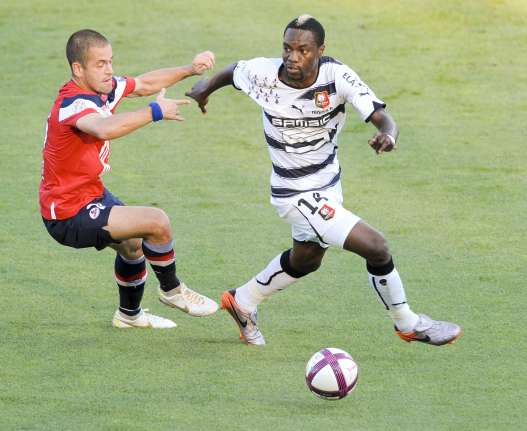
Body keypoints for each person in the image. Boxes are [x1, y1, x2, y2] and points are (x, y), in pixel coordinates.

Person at [186, 15, 463, 345]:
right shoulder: (263, 73)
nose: (292, 57)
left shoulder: (337, 76)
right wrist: (205, 88)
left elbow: (381, 116)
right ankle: (407, 323)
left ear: (320, 51)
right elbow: (233, 72)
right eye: (287, 48)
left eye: (303, 50)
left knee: (306, 259)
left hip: (328, 185)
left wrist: (388, 135)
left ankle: (243, 301)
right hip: (293, 193)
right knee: (377, 247)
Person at [40, 29, 219, 329]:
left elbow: (146, 83)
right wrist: (154, 112)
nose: (109, 69)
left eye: (109, 61)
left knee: (134, 245)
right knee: (156, 221)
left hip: (89, 194)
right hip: (67, 212)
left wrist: (190, 69)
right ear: (77, 69)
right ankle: (173, 291)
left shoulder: (103, 88)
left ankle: (129, 316)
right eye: (100, 64)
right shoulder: (74, 103)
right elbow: (103, 128)